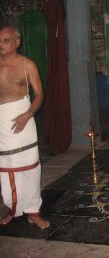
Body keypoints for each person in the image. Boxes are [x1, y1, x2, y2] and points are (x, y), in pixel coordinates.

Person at [0, 26, 50, 229]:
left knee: (30, 167)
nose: (1, 44)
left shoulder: (27, 65)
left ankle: (33, 212)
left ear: (17, 42)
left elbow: (39, 94)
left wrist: (27, 115)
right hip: (2, 123)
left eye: (6, 40)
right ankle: (13, 209)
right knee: (6, 170)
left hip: (24, 120)